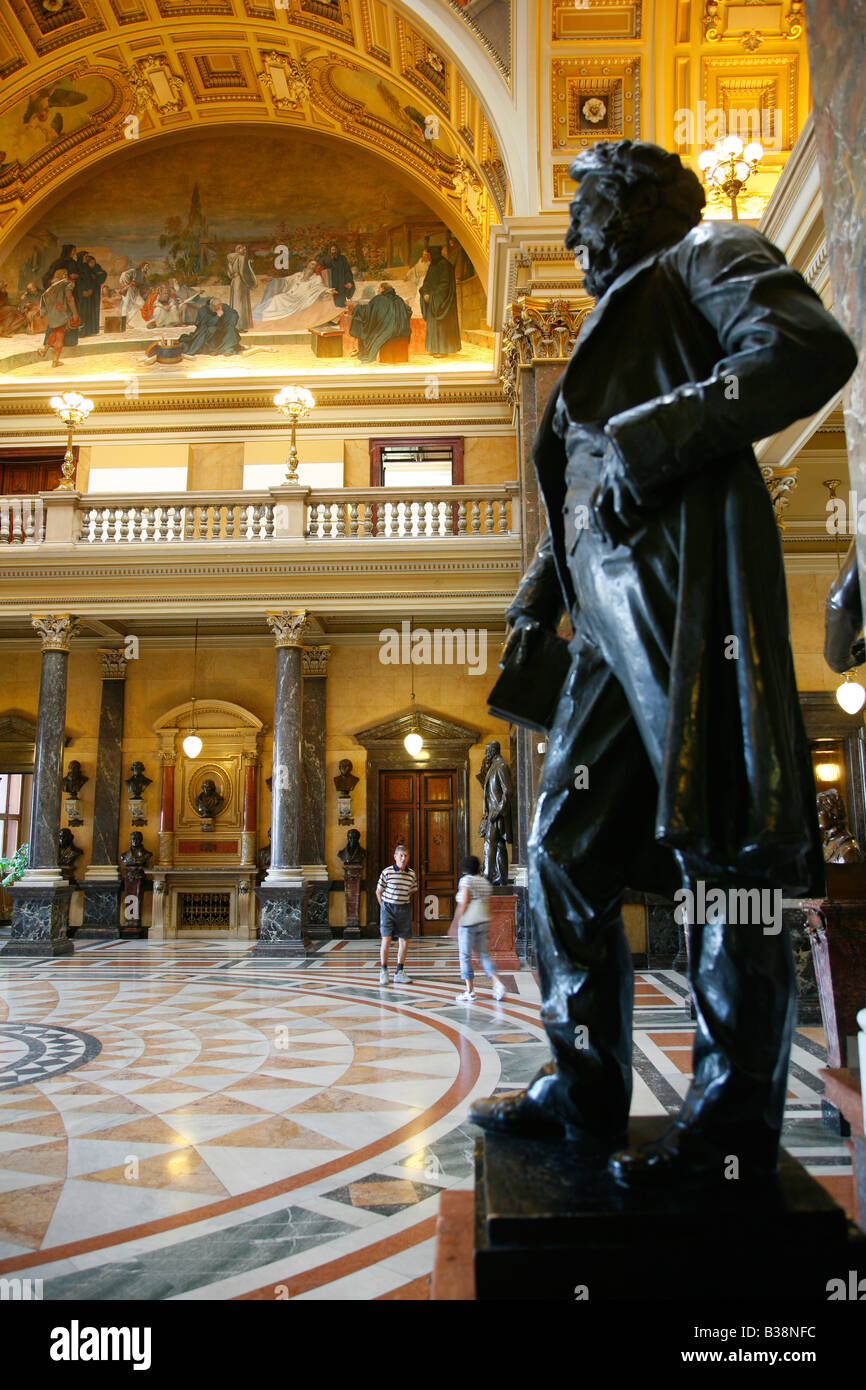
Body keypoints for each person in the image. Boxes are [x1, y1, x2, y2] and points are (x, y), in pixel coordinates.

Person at [468, 138, 858, 1188]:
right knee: (559, 851)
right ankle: (583, 1084)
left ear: (639, 206)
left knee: (726, 854)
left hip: (685, 594)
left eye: (586, 204)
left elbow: (807, 349)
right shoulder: (608, 316)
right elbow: (575, 482)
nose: (571, 229)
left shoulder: (707, 258)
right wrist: (536, 596)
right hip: (600, 622)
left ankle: (730, 1123)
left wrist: (664, 430)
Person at [451, 854, 506, 1003]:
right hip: (483, 920)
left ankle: (469, 991)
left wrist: (456, 922)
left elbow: (464, 901)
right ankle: (498, 984)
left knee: (465, 956)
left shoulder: (466, 880)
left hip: (469, 923)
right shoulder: (484, 882)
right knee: (484, 955)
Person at [376, 843, 417, 985]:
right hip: (387, 908)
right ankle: (383, 970)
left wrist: (403, 900)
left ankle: (399, 971)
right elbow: (378, 891)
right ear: (395, 857)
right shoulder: (387, 872)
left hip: (403, 909)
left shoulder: (411, 874)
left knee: (404, 940)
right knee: (386, 939)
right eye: (401, 855)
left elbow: (411, 890)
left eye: (406, 856)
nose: (403, 858)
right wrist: (383, 907)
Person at [348, 282, 412, 363]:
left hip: (387, 332)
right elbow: (408, 310)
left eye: (379, 289)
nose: (378, 290)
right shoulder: (399, 299)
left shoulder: (379, 299)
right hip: (402, 330)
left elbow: (368, 312)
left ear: (382, 288)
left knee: (374, 332)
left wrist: (356, 307)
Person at [479, 739, 513, 885]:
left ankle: (487, 876)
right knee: (499, 845)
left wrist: (497, 810)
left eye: (487, 751)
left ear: (493, 751)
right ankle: (501, 877)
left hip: (497, 813)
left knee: (489, 843)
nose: (486, 753)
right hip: (492, 813)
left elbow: (508, 791)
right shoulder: (494, 766)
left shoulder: (501, 766)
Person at [420, 245, 460, 355]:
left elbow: (445, 285)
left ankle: (443, 350)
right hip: (433, 300)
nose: (427, 257)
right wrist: (425, 292)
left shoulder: (445, 265)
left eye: (428, 255)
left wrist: (432, 296)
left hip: (443, 302)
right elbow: (427, 282)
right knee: (434, 325)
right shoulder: (433, 265)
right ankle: (434, 349)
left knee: (442, 326)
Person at [36, 268, 77, 367]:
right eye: (65, 274)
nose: (67, 276)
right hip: (62, 314)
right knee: (59, 337)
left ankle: (44, 350)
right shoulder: (67, 284)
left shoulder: (52, 287)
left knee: (54, 332)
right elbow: (69, 299)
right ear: (63, 275)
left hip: (52, 314)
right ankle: (55, 361)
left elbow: (45, 300)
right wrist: (75, 313)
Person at [317, 242, 355, 311]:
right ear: (329, 251)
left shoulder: (342, 259)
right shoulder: (324, 259)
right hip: (329, 285)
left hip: (341, 285)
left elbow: (347, 271)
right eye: (332, 250)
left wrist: (349, 281)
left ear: (337, 250)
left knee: (340, 305)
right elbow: (318, 270)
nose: (333, 252)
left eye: (335, 250)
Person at [227, 244, 257, 331]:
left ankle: (234, 325)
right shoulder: (241, 258)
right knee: (241, 304)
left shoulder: (230, 259)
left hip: (234, 281)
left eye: (245, 250)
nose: (245, 251)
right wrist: (249, 283)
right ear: (238, 249)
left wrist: (234, 276)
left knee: (235, 303)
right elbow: (243, 272)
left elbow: (229, 273)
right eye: (243, 250)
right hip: (241, 282)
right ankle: (241, 326)